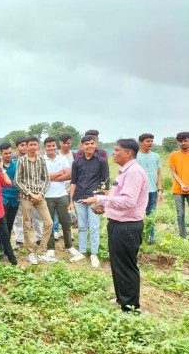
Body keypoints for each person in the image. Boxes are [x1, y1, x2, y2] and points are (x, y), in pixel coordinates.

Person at [80, 139, 148, 313]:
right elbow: (120, 198)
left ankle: (130, 306)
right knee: (118, 264)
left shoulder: (133, 172)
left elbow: (128, 201)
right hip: (118, 224)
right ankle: (121, 297)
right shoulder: (124, 171)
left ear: (128, 153)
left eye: (117, 150)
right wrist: (105, 208)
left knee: (126, 266)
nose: (113, 153)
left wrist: (99, 199)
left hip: (127, 227)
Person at [69, 135, 110, 268]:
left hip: (95, 199)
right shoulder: (76, 162)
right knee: (81, 226)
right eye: (86, 144)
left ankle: (94, 253)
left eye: (92, 143)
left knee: (94, 226)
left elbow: (105, 182)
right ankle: (81, 251)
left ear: (95, 144)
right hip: (79, 197)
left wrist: (104, 201)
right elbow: (73, 182)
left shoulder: (102, 161)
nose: (90, 146)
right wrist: (71, 200)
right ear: (82, 146)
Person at [14, 137, 54, 265]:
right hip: (26, 197)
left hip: (39, 196)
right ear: (26, 146)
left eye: (34, 144)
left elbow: (46, 179)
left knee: (48, 222)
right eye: (30, 144)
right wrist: (30, 193)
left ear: (38, 146)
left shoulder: (41, 160)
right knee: (27, 224)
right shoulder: (21, 160)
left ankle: (42, 251)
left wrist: (41, 193)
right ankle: (31, 252)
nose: (32, 147)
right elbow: (17, 180)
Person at [43, 137, 81, 261]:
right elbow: (42, 177)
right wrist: (59, 173)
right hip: (47, 196)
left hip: (62, 195)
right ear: (45, 147)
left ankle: (69, 245)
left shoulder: (62, 158)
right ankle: (50, 248)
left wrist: (50, 177)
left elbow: (69, 175)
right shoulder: (41, 160)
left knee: (66, 222)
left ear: (56, 146)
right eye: (48, 146)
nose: (51, 148)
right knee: (48, 223)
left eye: (53, 146)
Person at [12, 137, 42, 247]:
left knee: (37, 216)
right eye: (22, 145)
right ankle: (20, 240)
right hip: (18, 193)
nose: (24, 147)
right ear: (17, 147)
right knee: (19, 217)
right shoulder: (14, 160)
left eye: (26, 145)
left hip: (34, 193)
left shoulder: (36, 158)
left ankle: (39, 238)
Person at [136, 133, 163, 244]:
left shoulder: (156, 156)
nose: (150, 143)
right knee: (138, 215)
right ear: (141, 142)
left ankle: (151, 238)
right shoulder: (135, 156)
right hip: (138, 191)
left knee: (150, 215)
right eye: (148, 141)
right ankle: (138, 237)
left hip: (152, 191)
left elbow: (159, 174)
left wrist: (160, 190)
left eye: (151, 141)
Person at [54, 133, 76, 240]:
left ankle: (68, 232)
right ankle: (55, 231)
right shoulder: (55, 154)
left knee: (68, 212)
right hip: (57, 188)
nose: (66, 145)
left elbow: (75, 173)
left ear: (71, 142)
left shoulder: (74, 155)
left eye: (68, 143)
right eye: (64, 143)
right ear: (60, 143)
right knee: (55, 212)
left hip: (70, 188)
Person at [0, 142, 20, 248]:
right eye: (5, 153)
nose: (8, 155)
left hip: (15, 199)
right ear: (1, 154)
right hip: (2, 199)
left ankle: (7, 248)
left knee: (10, 225)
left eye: (9, 153)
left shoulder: (17, 165)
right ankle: (0, 250)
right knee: (1, 225)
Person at [169, 131, 189, 239]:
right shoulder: (173, 155)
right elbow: (173, 172)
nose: (183, 143)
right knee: (180, 214)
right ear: (178, 143)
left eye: (185, 140)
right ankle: (183, 238)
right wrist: (181, 184)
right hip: (178, 189)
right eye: (181, 141)